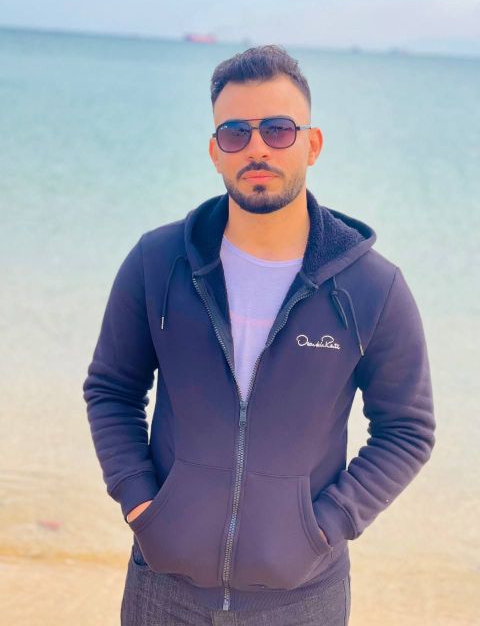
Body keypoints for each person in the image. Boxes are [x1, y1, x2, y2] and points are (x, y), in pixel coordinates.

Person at [82, 44, 436, 625]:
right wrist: (140, 500)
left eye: (277, 129)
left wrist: (328, 526)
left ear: (311, 144)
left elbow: (408, 429)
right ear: (214, 153)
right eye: (235, 133)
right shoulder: (157, 262)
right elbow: (111, 389)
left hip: (303, 599)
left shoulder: (372, 287)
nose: (257, 149)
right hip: (163, 590)